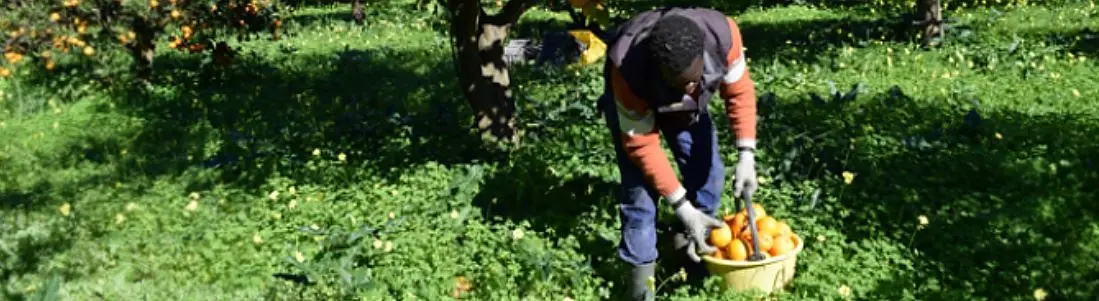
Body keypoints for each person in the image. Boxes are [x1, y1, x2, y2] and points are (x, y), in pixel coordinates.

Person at [596, 6, 759, 300]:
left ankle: (690, 257)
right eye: (681, 83)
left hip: (686, 112)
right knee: (640, 202)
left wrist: (746, 154)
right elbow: (641, 145)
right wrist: (682, 207)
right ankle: (640, 292)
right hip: (638, 109)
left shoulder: (723, 38)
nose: (690, 88)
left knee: (708, 176)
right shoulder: (628, 72)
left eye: (695, 81)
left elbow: (739, 93)